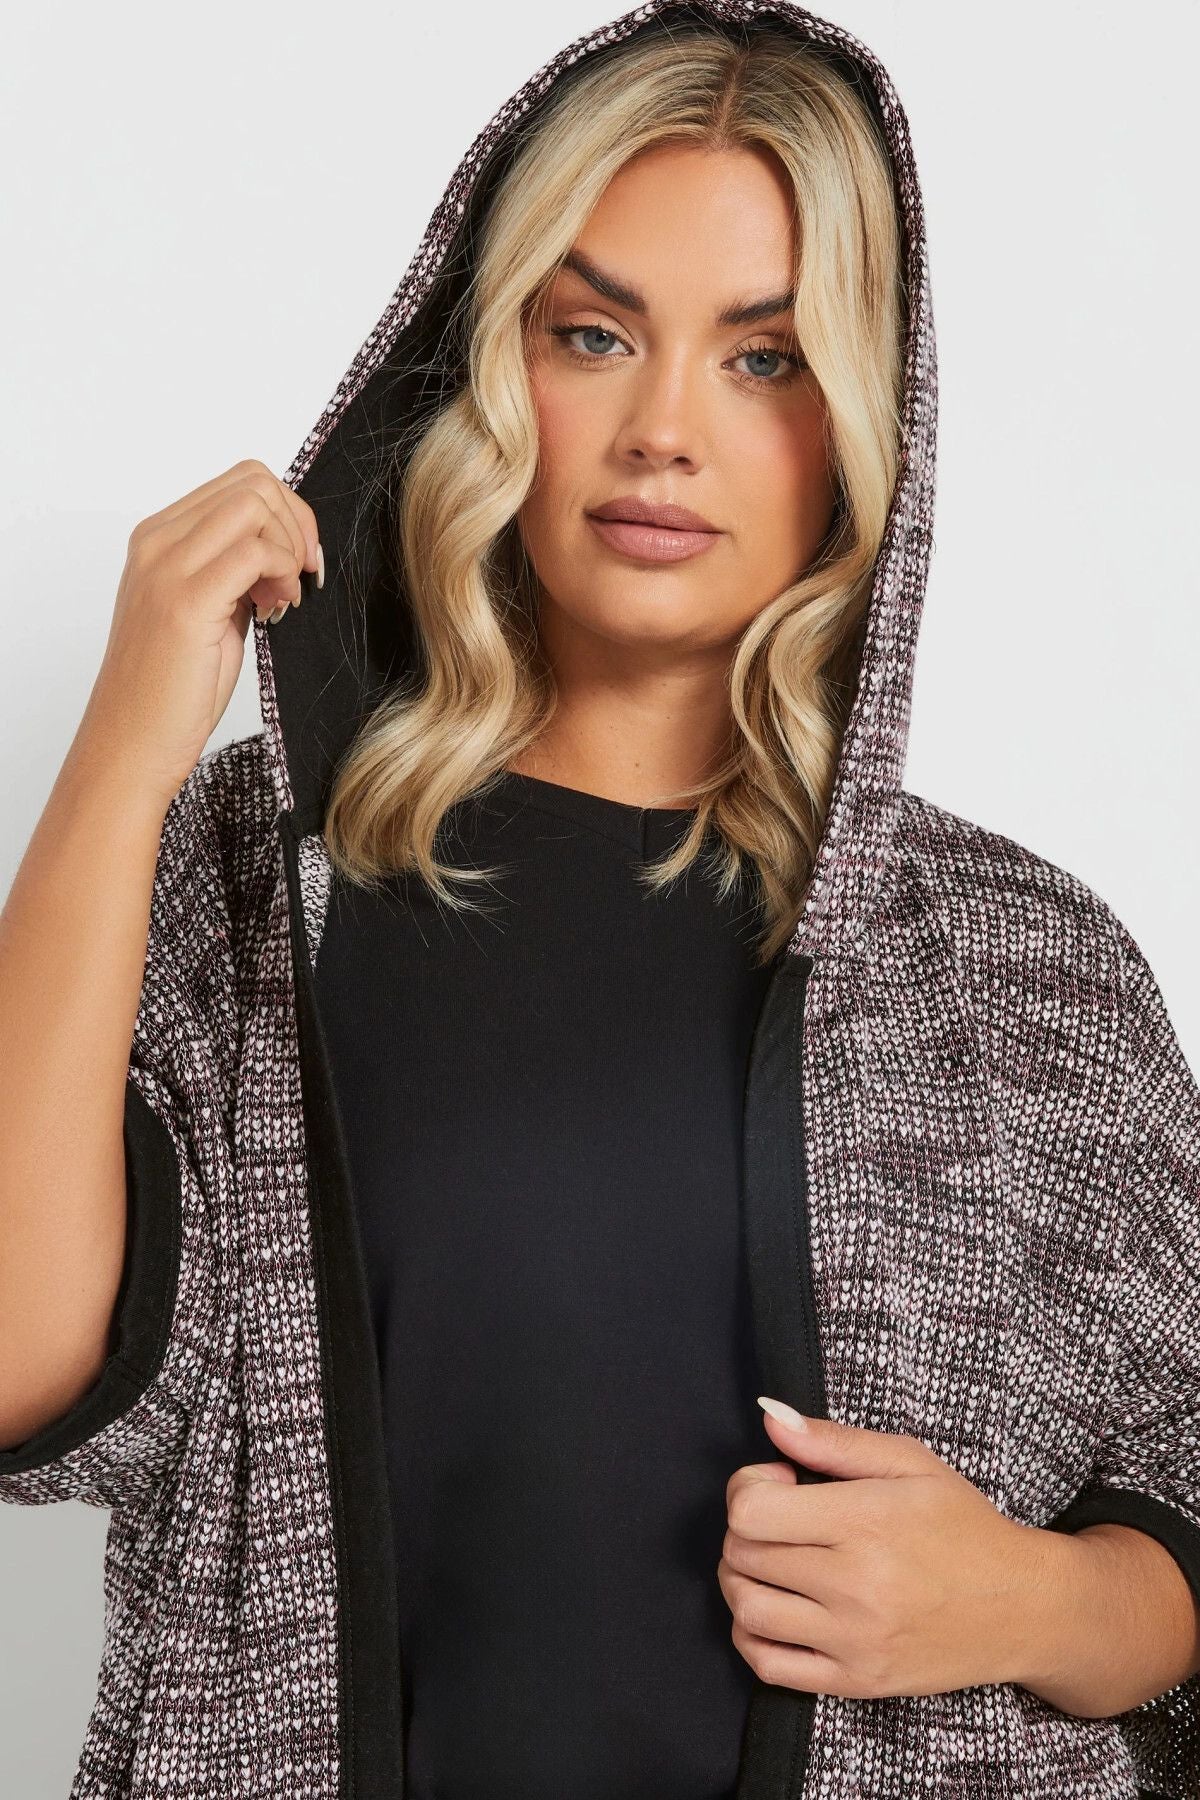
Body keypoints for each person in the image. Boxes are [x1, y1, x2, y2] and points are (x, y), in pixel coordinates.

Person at [1, 3, 1198, 1797]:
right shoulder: (271, 875)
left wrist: (1036, 1600)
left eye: (765, 357)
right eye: (593, 334)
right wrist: (122, 750)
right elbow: (20, 1370)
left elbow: (1185, 1500)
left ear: (863, 423)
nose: (662, 431)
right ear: (491, 370)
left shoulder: (1025, 963)